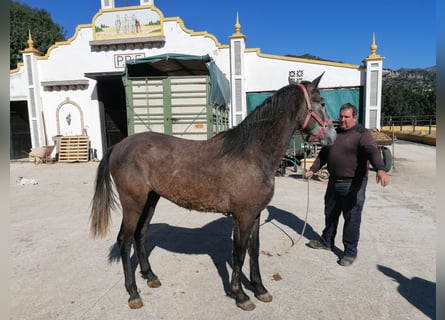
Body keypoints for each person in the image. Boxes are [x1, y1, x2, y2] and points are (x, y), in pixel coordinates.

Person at [304, 103, 390, 267]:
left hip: (353, 184)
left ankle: (350, 252)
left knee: (351, 218)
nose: (342, 120)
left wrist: (380, 169)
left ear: (354, 117)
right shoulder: (334, 132)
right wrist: (313, 169)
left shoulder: (361, 134)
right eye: (341, 116)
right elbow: (324, 153)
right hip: (333, 182)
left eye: (346, 117)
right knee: (330, 214)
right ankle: (326, 241)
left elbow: (372, 151)